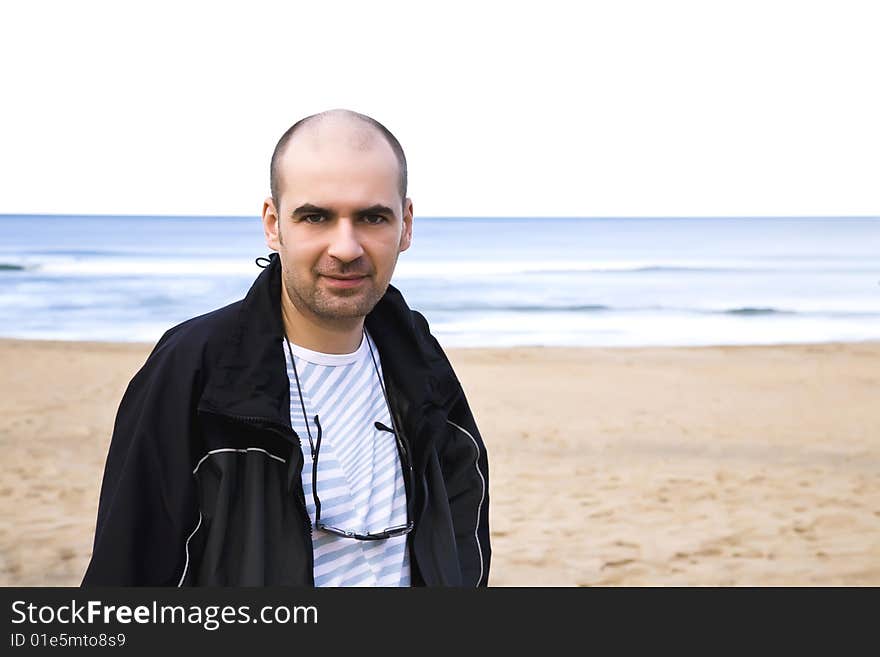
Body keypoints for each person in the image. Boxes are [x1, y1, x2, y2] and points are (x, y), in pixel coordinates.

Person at [80, 109, 490, 587]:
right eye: (316, 216)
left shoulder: (419, 359)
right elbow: (128, 569)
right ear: (274, 225)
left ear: (406, 225)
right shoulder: (194, 368)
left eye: (372, 217)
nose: (346, 247)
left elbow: (465, 529)